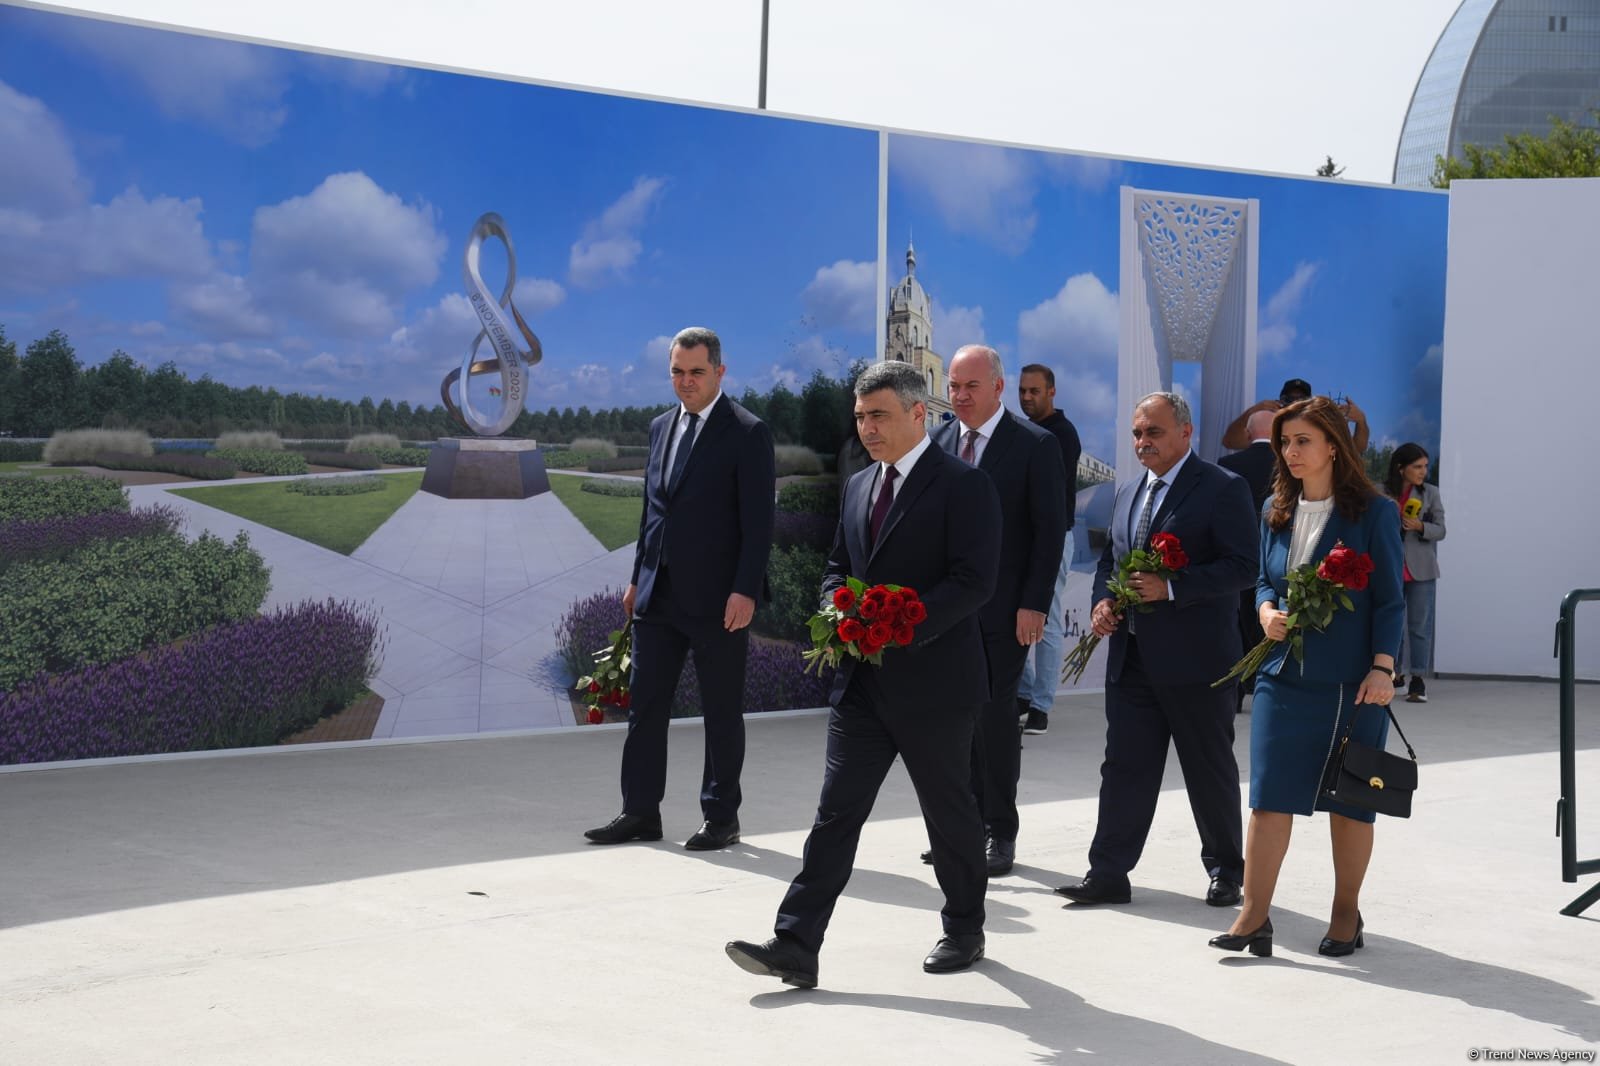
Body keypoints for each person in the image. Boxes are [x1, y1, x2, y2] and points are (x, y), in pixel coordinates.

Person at [726, 360, 1001, 987]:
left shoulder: (964, 486)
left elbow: (974, 582)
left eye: (878, 415)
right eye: (859, 417)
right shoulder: (856, 487)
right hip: (862, 686)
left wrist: (900, 624)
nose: (867, 428)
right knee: (834, 814)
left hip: (936, 685)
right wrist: (837, 608)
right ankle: (796, 943)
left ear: (917, 414)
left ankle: (964, 927)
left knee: (949, 813)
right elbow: (836, 567)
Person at [1209, 396, 1403, 959]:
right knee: (1269, 799)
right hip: (1279, 674)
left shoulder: (1375, 513)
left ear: (1333, 447)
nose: (1290, 453)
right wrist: (1265, 611)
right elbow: (1265, 581)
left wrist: (1383, 667)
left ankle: (1346, 914)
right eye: (1284, 443)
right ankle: (1254, 915)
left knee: (1349, 804)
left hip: (1354, 684)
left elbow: (1390, 600)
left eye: (1302, 442)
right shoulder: (1275, 506)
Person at [1055, 392, 1257, 908]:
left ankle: (1226, 871)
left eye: (1154, 433)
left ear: (1185, 433)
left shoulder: (1222, 488)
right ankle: (1108, 874)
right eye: (1137, 433)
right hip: (1132, 659)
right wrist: (1104, 602)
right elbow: (1110, 563)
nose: (1143, 442)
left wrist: (1172, 587)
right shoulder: (1126, 494)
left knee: (1207, 769)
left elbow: (1242, 567)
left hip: (1199, 662)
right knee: (1124, 768)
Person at [584, 327, 775, 851]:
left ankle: (721, 817)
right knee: (646, 708)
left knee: (719, 711)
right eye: (677, 372)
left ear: (719, 371)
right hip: (656, 595)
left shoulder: (747, 431)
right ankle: (640, 812)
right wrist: (635, 577)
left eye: (695, 372)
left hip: (719, 601)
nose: (685, 382)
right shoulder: (660, 427)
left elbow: (759, 523)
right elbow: (653, 510)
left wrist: (745, 590)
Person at [923, 346, 1067, 876]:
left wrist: (1034, 604)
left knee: (994, 720)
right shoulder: (936, 442)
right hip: (942, 614)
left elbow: (1049, 533)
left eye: (970, 387)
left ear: (998, 388)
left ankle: (999, 832)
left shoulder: (1035, 446)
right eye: (954, 386)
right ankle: (959, 830)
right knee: (948, 725)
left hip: (1005, 614)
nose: (958, 396)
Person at [1016, 362, 1083, 735]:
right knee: (1014, 614)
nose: (1027, 397)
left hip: (1054, 536)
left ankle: (1041, 705)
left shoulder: (1061, 435)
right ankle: (1025, 694)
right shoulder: (1027, 431)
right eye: (1023, 390)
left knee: (1047, 619)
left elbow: (1049, 499)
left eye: (1034, 391)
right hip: (1022, 539)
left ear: (1051, 392)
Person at [1218, 409, 1277, 713]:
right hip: (1279, 556)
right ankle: (1269, 686)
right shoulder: (1289, 465)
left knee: (1239, 622)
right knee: (1274, 623)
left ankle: (1239, 689)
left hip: (1236, 557)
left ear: (1249, 433)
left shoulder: (1227, 465)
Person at [1385, 442, 1445, 703]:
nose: (1423, 472)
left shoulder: (1430, 493)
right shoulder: (1381, 492)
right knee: (1392, 624)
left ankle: (1418, 679)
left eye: (1425, 467)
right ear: (1401, 469)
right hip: (1390, 567)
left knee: (1420, 626)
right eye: (1417, 467)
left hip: (1421, 568)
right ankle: (1393, 673)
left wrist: (1421, 526)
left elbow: (1441, 530)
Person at [1220, 377, 1370, 454]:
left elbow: (1356, 449)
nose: (1295, 404)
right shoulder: (1269, 425)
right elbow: (1230, 441)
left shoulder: (1318, 426)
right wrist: (1252, 412)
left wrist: (1361, 421)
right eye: (1290, 399)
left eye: (1302, 400)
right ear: (1280, 401)